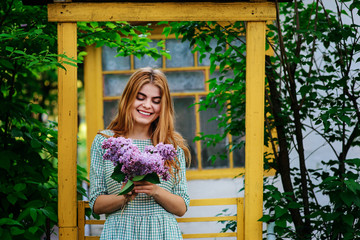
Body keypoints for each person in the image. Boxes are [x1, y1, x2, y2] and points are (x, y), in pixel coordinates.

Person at [89, 67, 191, 240]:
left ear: (163, 105)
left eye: (156, 100)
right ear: (128, 98)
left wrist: (154, 190)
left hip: (163, 234)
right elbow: (96, 204)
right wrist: (125, 195)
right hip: (120, 233)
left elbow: (181, 207)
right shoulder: (105, 142)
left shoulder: (171, 145)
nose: (147, 105)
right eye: (140, 97)